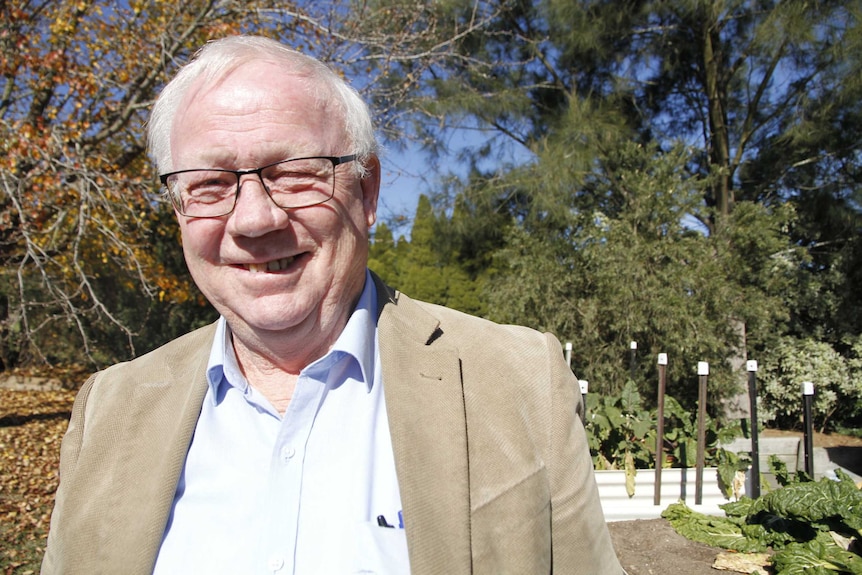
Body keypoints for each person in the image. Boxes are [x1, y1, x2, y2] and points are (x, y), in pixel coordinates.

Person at [42, 35, 623, 575]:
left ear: (367, 192)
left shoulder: (519, 381)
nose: (253, 219)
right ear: (179, 211)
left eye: (294, 174)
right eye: (211, 184)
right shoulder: (107, 412)